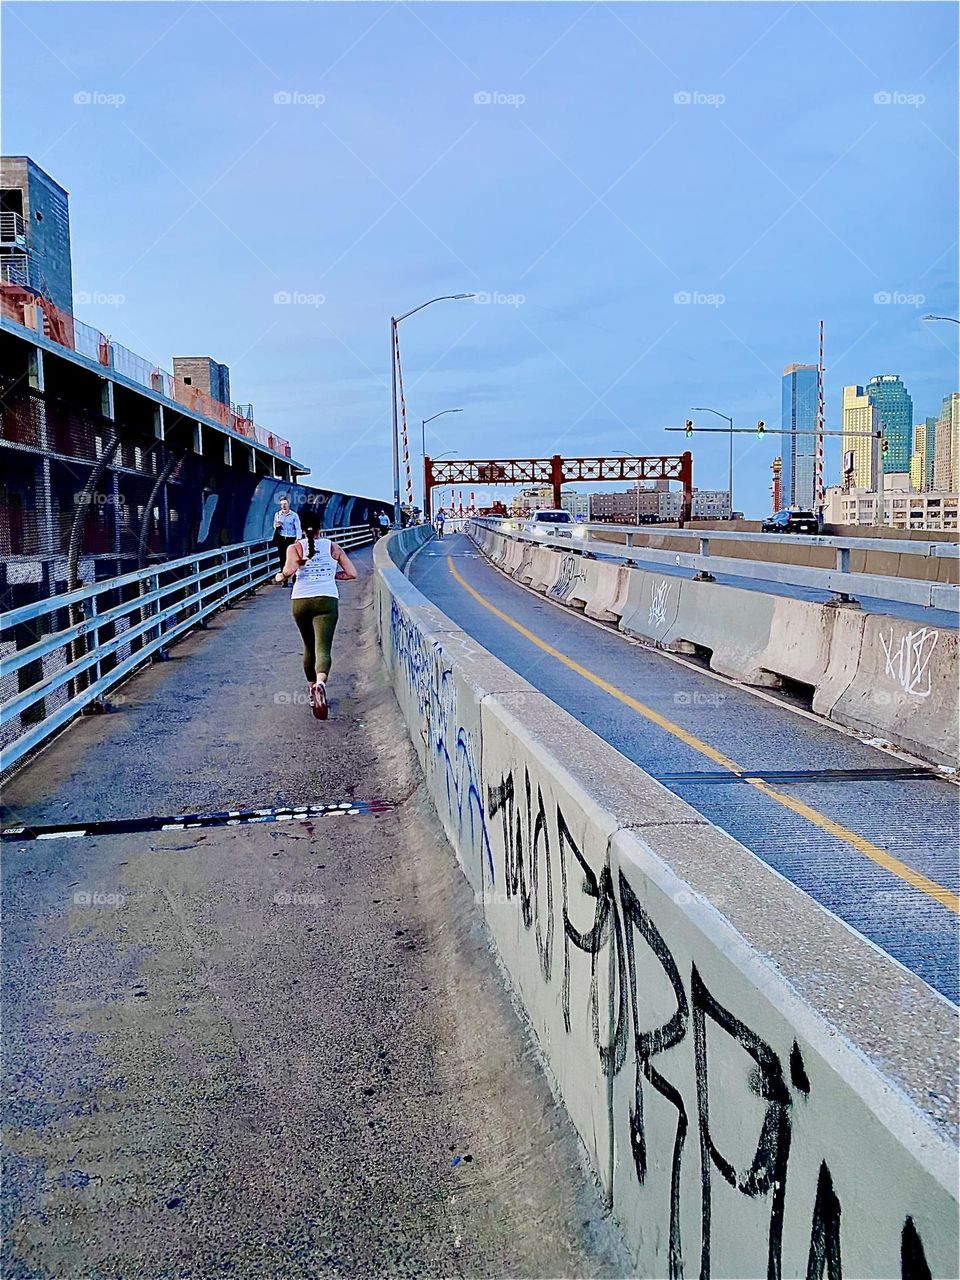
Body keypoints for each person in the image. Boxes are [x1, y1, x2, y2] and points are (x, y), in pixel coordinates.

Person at [275, 510, 357, 720]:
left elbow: (290, 570)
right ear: (321, 527)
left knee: (308, 646)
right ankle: (320, 683)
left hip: (301, 601)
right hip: (327, 599)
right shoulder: (333, 547)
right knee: (323, 647)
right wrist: (334, 575)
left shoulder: (295, 547)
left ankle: (312, 694)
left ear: (301, 528)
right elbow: (352, 573)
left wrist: (280, 576)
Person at [273, 497, 302, 587]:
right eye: (282, 504)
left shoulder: (294, 515)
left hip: (291, 539)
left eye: (285, 504)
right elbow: (274, 525)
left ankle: (294, 578)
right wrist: (276, 525)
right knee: (282, 559)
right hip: (282, 538)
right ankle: (284, 580)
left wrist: (298, 538)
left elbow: (298, 527)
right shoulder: (277, 514)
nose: (284, 506)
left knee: (293, 559)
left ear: (288, 504)